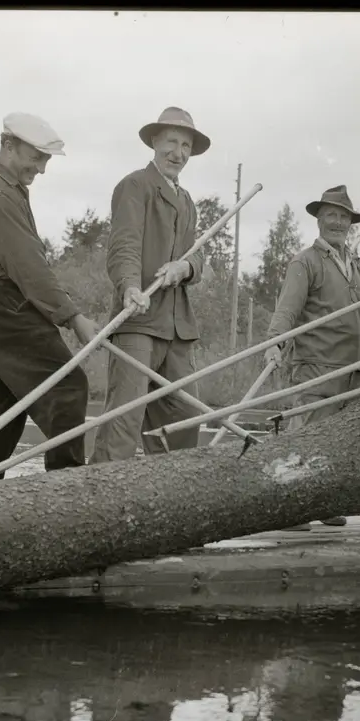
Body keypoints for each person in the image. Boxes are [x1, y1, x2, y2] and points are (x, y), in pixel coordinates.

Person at [0, 112, 100, 481]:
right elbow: (30, 269)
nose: (42, 169)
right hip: (2, 311)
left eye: (46, 160)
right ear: (8, 145)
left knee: (8, 406)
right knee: (67, 387)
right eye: (36, 158)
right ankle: (65, 488)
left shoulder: (0, 188)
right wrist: (73, 318)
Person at [91, 107, 211, 464]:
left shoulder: (187, 201)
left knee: (184, 419)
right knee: (124, 422)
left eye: (186, 146)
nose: (179, 153)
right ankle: (103, 491)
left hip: (177, 330)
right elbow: (124, 245)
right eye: (172, 142)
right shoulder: (135, 186)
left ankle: (168, 493)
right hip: (139, 322)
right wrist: (129, 286)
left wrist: (186, 267)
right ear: (155, 142)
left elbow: (198, 255)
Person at [264, 185, 360, 528]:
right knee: (305, 437)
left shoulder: (354, 264)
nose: (337, 222)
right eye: (331, 215)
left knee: (335, 442)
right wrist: (274, 342)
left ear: (350, 224)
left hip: (350, 370)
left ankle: (320, 504)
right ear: (319, 220)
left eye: (343, 217)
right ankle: (289, 509)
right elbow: (287, 309)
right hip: (315, 368)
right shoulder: (305, 261)